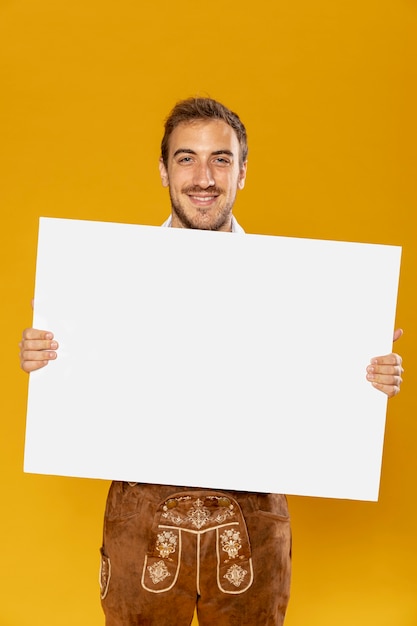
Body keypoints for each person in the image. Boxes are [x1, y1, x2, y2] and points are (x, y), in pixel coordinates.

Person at [19, 98, 404, 626]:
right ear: (163, 170)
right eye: (186, 158)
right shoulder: (104, 278)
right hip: (141, 519)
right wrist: (47, 360)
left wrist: (366, 380)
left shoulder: (302, 287)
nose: (204, 177)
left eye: (220, 159)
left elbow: (323, 398)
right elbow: (78, 386)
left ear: (243, 172)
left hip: (254, 523)